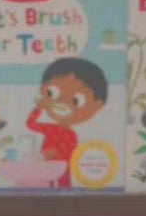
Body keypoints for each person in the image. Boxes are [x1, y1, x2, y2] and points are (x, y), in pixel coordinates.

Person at [26, 57, 109, 188]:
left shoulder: (71, 135)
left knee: (64, 186)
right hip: (46, 168)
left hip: (62, 168)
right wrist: (39, 108)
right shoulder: (51, 129)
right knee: (46, 187)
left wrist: (54, 154)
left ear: (97, 106)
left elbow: (70, 154)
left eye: (76, 101)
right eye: (51, 93)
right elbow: (30, 124)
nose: (62, 102)